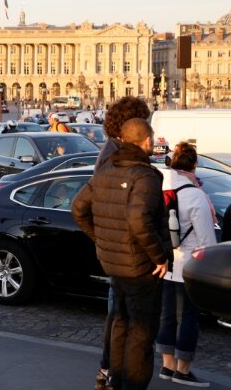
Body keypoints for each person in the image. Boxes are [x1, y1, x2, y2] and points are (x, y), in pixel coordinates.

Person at [72, 118, 171, 390]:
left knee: (119, 323)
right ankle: (132, 385)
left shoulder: (104, 171)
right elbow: (139, 219)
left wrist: (101, 240)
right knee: (141, 333)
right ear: (147, 141)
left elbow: (77, 209)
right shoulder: (146, 176)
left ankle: (115, 379)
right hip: (141, 268)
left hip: (113, 263)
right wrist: (160, 256)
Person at [93, 97, 153, 388]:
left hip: (116, 247)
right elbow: (129, 212)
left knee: (119, 315)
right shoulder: (114, 155)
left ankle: (110, 371)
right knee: (123, 318)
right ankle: (111, 371)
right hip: (124, 251)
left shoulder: (113, 150)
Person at [155, 142, 216, 387]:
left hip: (164, 264)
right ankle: (183, 370)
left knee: (167, 316)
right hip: (189, 267)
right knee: (188, 318)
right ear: (193, 164)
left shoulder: (161, 189)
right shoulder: (195, 195)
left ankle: (167, 366)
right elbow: (206, 240)